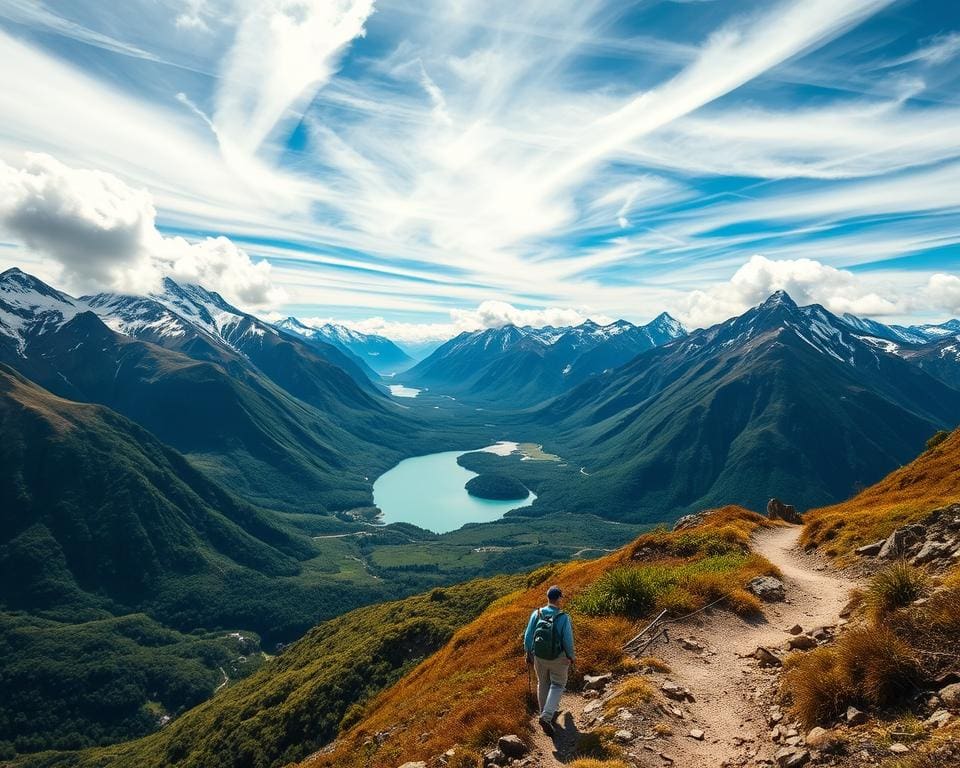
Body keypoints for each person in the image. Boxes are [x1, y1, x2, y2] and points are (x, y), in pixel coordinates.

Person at [523, 584, 575, 735]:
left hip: (538, 656)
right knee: (558, 684)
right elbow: (568, 640)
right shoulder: (563, 617)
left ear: (547, 598)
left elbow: (528, 636)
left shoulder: (537, 613)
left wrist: (528, 652)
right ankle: (546, 716)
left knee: (542, 683)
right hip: (558, 658)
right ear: (558, 599)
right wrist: (571, 656)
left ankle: (544, 712)